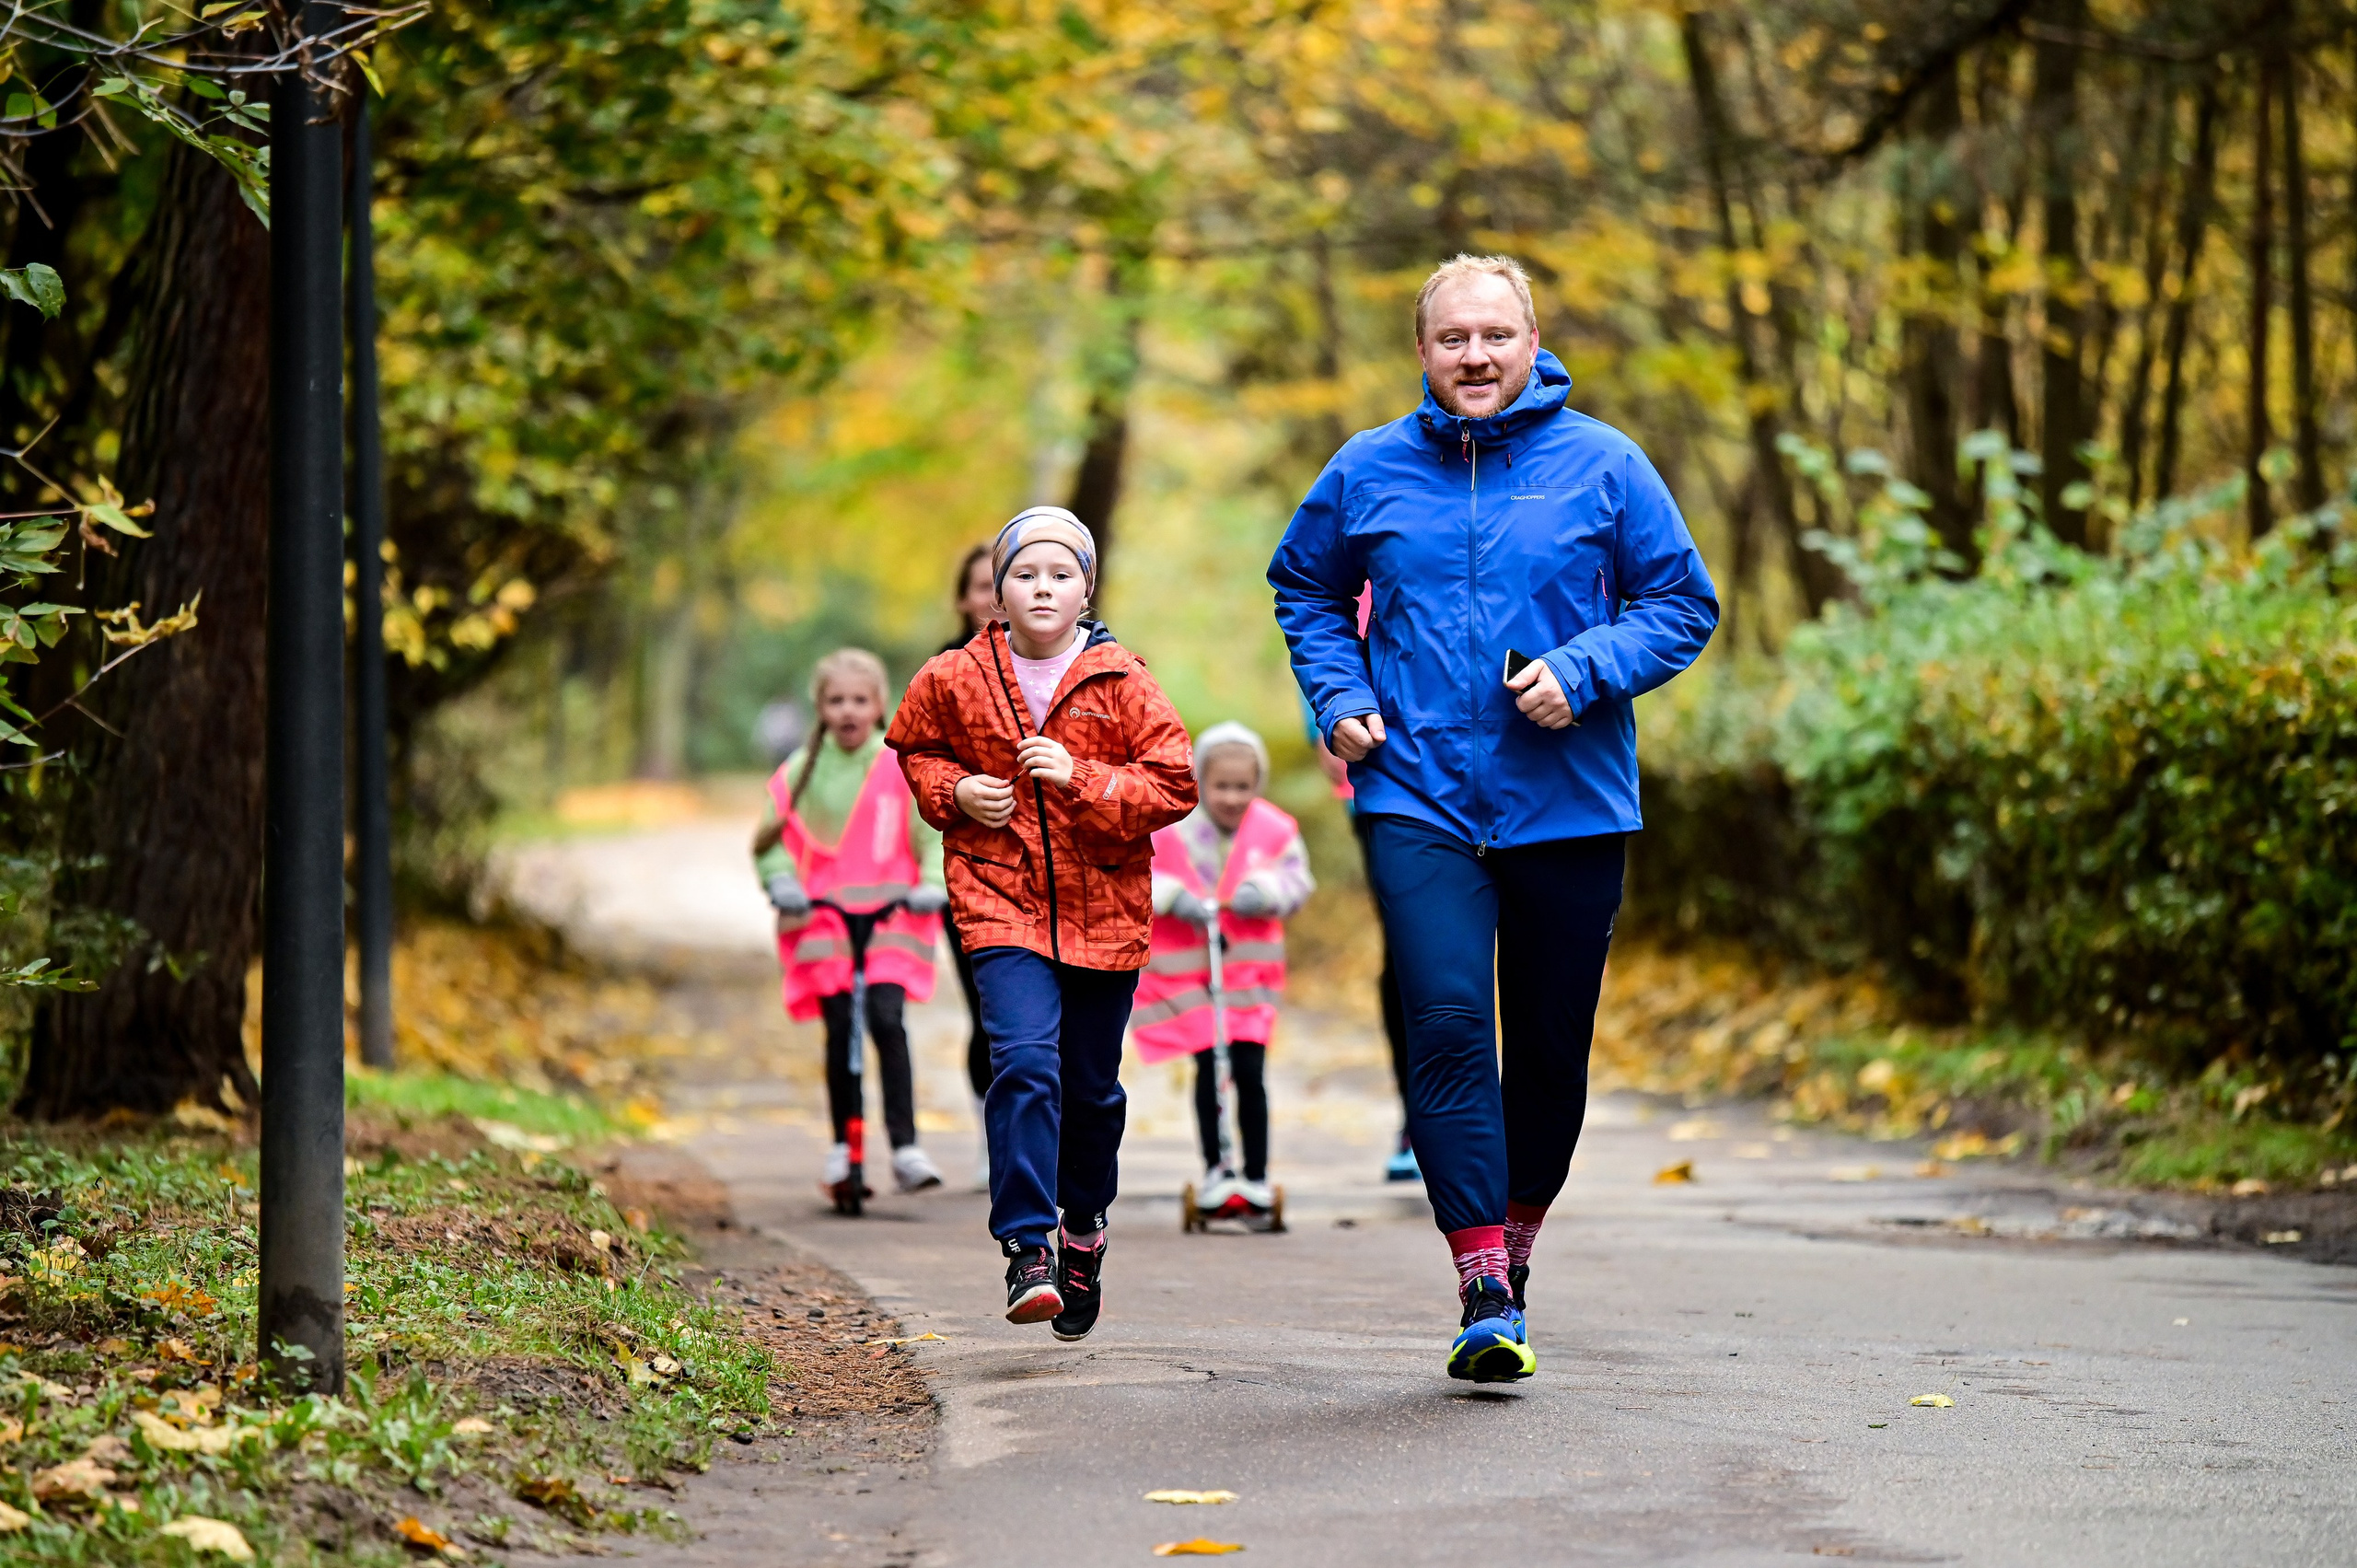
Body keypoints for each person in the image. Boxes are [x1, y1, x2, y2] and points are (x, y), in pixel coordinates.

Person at [1269, 254, 1718, 1384]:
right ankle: (1480, 1277)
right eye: (1452, 338)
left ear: (1532, 342)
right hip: (1414, 792)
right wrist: (1340, 696)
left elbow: (1682, 603)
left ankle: (1516, 1243)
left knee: (1551, 1050)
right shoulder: (1366, 469)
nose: (1475, 356)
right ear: (1421, 351)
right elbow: (1306, 587)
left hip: (1568, 800)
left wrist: (1587, 667)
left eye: (1495, 336)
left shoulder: (1606, 465)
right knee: (1450, 1021)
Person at [888, 506, 1197, 1340]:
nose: (1043, 587)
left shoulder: (1122, 678)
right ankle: (1026, 1245)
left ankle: (1083, 1231)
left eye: (1061, 574)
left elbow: (1173, 783)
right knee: (1021, 1062)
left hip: (1107, 908)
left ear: (1086, 587)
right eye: (1025, 574)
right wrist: (955, 794)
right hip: (1000, 898)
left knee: (1091, 1092)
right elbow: (915, 749)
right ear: (997, 590)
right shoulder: (954, 676)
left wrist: (1082, 776)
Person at [752, 649, 950, 1202]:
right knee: (841, 1028)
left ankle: (906, 1145)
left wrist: (933, 884)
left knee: (888, 1020)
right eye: (836, 700)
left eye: (860, 700)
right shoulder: (801, 770)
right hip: (826, 922)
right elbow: (771, 843)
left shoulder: (897, 765)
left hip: (893, 918)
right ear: (819, 707)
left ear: (879, 705)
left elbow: (928, 835)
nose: (848, 711)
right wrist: (782, 882)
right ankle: (844, 1144)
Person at [1132, 722, 1314, 1223]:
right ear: (1199, 782)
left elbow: (1298, 880)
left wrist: (1268, 891)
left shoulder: (1275, 830)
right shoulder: (1171, 828)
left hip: (1250, 982)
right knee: (1210, 1070)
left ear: (1258, 784)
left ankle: (1254, 1174)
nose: (1233, 798)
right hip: (1192, 981)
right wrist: (1174, 897)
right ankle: (1216, 1167)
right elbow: (1139, 874)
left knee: (1250, 1072)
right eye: (1221, 786)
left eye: (1243, 787)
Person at [1300, 587, 1419, 1183]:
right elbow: (1320, 627)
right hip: (1388, 790)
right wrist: (1328, 718)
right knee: (1411, 952)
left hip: (1511, 786)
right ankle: (1419, 1115)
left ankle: (1493, 1117)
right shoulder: (1365, 528)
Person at [943, 541, 1000, 1190]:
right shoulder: (944, 670)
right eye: (981, 586)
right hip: (958, 876)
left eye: (998, 583)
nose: (990, 596)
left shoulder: (1053, 662)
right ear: (963, 599)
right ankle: (995, 1133)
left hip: (1044, 874)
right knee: (989, 1011)